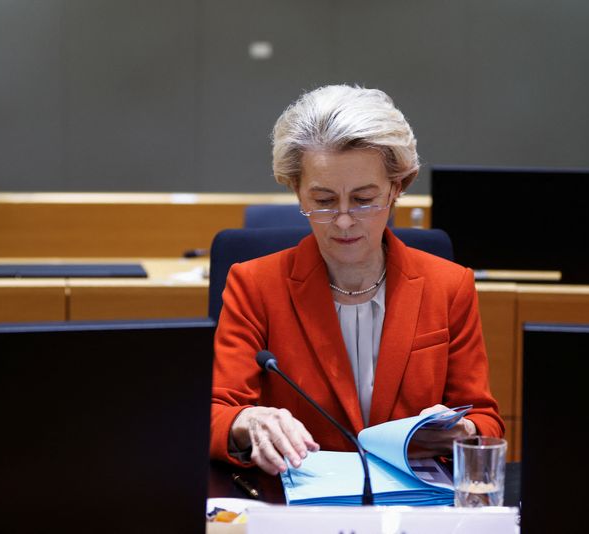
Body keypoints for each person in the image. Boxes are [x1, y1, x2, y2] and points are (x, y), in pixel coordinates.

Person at [209, 84, 504, 476]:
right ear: (298, 192)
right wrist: (248, 423)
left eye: (364, 199)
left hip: (410, 505)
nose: (344, 220)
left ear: (397, 188)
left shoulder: (449, 286)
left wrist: (461, 430)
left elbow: (486, 421)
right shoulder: (254, 285)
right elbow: (215, 415)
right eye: (325, 201)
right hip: (296, 502)